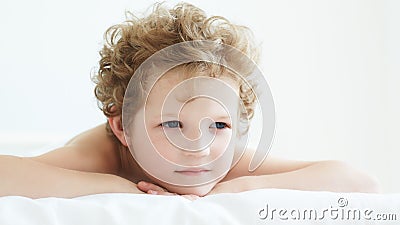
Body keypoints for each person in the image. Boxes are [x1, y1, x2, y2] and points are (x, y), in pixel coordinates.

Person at [0, 2, 379, 199]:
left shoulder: (224, 158)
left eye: (219, 125)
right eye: (170, 124)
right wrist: (116, 186)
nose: (198, 147)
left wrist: (239, 187)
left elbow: (358, 180)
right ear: (122, 128)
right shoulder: (104, 153)